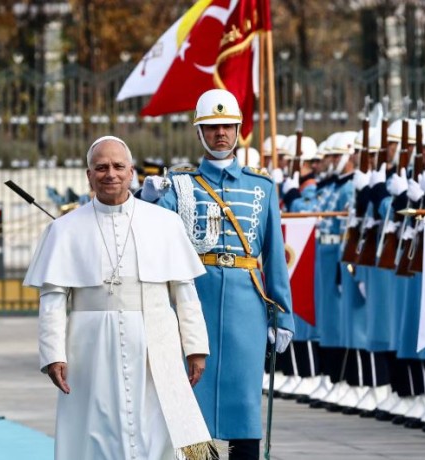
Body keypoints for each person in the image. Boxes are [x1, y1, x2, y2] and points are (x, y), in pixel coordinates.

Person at [25, 136, 215, 460]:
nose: (110, 174)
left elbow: (185, 292)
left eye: (118, 166)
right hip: (91, 346)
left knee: (160, 427)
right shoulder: (65, 229)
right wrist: (53, 354)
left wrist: (196, 348)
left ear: (131, 172)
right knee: (96, 429)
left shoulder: (165, 223)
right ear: (89, 175)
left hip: (156, 340)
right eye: (101, 167)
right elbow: (53, 300)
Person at [142, 89, 295, 460]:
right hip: (196, 302)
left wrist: (283, 313)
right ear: (199, 132)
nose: (220, 133)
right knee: (194, 402)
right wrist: (147, 200)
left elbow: (275, 255)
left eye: (227, 126)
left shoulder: (261, 186)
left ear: (239, 129)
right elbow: (153, 230)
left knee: (245, 404)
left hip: (247, 308)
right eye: (212, 127)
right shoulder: (180, 184)